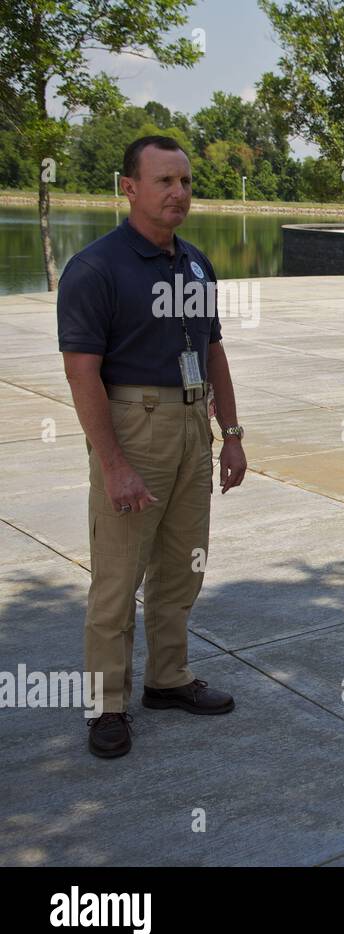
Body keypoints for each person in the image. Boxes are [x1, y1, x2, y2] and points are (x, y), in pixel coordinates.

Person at [58, 135, 248, 758]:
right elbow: (82, 371)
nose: (179, 193)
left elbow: (213, 349)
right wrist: (113, 465)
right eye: (164, 181)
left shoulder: (195, 264)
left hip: (195, 427)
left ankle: (168, 679)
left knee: (182, 564)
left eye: (187, 182)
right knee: (118, 575)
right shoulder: (96, 268)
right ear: (129, 188)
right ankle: (106, 705)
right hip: (133, 427)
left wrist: (232, 434)